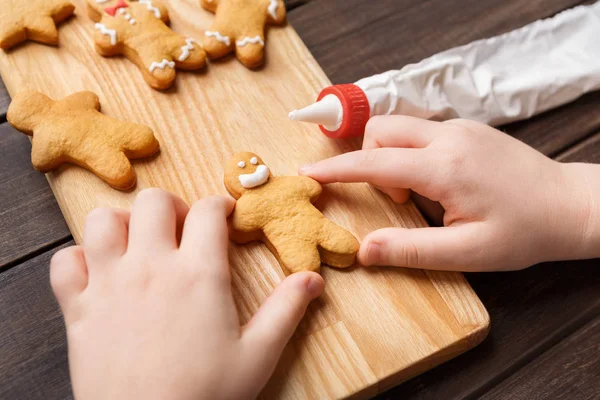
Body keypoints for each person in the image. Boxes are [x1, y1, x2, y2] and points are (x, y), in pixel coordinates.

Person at [50, 116, 599, 399]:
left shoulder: (285, 190)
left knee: (333, 242)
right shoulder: (254, 211)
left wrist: (575, 205)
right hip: (294, 238)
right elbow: (243, 221)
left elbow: (305, 194)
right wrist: (570, 199)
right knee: (306, 253)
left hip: (316, 225)